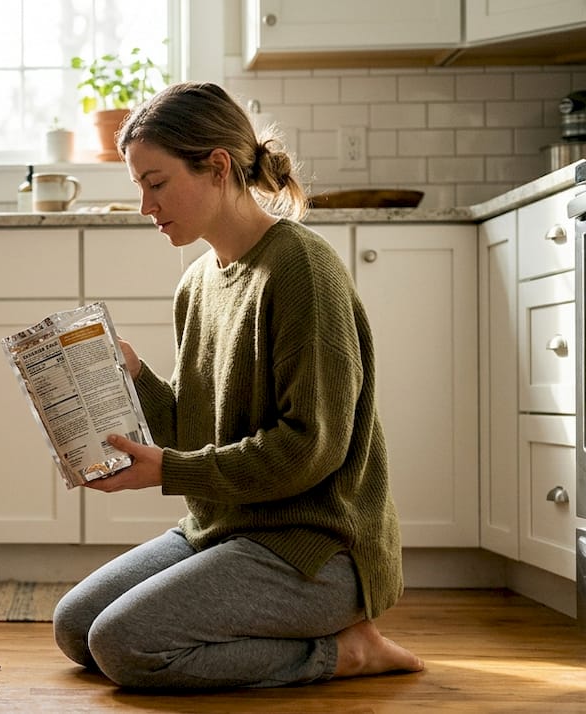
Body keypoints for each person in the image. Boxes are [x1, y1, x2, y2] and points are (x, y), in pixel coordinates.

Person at [51, 81, 424, 690]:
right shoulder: (197, 284)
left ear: (217, 166)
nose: (146, 206)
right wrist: (134, 376)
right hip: (223, 528)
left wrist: (169, 472)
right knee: (76, 627)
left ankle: (345, 651)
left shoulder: (301, 267)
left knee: (124, 648)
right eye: (139, 187)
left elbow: (310, 448)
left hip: (315, 549)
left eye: (156, 182)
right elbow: (196, 429)